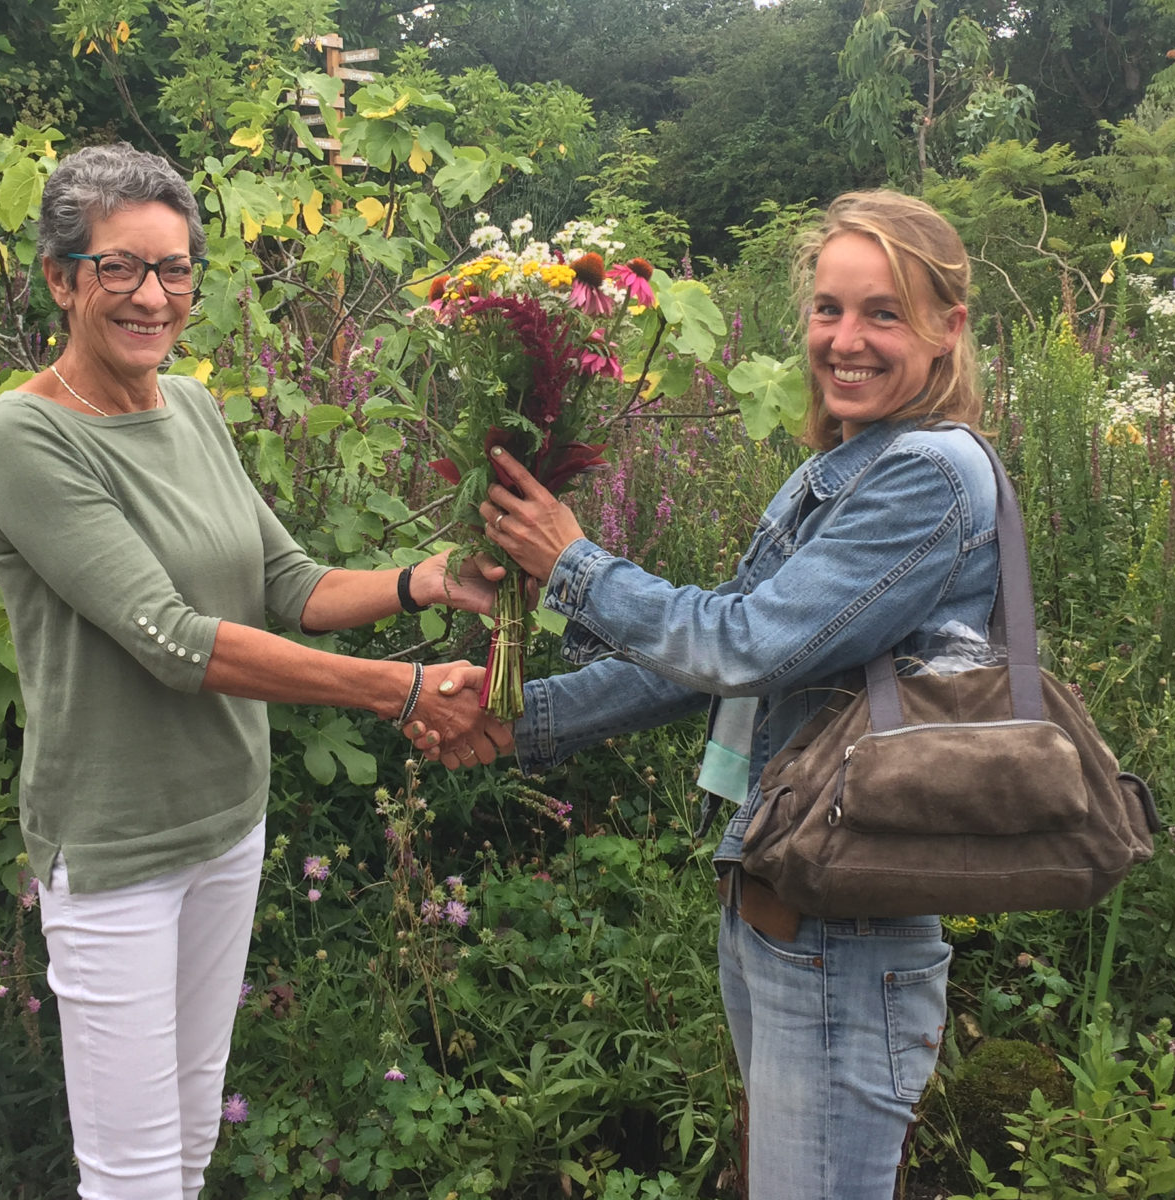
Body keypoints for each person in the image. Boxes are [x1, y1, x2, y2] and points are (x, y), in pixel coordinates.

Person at [0, 142, 505, 1200]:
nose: (151, 296)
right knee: (129, 1176)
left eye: (173, 270)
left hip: (224, 821)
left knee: (189, 1137)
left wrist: (433, 578)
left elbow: (289, 582)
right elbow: (172, 639)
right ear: (61, 278)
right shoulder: (24, 436)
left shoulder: (194, 410)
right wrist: (401, 689)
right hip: (117, 840)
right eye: (119, 267)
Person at [445, 190, 1000, 1195]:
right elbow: (707, 656)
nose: (845, 340)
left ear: (946, 329)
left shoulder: (929, 477)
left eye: (883, 313)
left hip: (844, 929)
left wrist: (573, 564)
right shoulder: (847, 464)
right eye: (828, 309)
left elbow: (741, 647)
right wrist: (515, 720)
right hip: (783, 909)